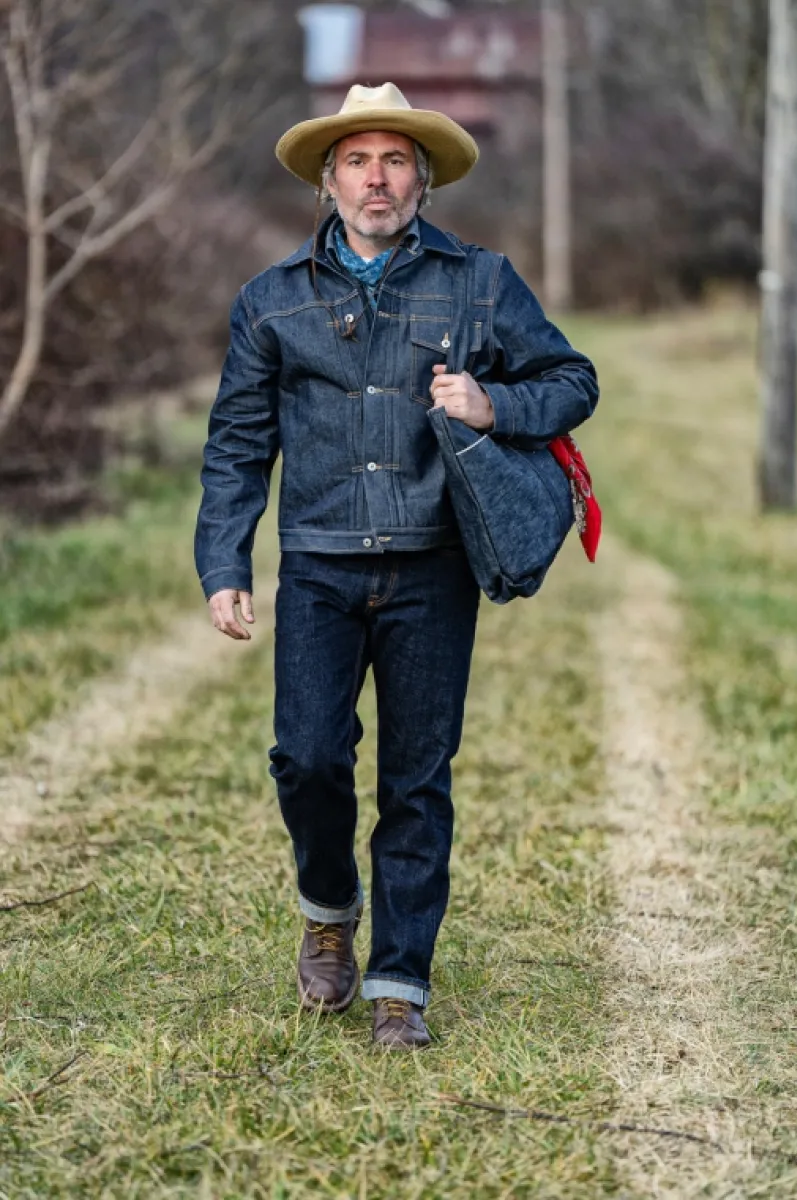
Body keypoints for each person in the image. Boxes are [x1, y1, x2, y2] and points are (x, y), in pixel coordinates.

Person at [194, 83, 598, 1050]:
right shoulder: (272, 300)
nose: (376, 179)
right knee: (308, 758)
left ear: (422, 180)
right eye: (357, 162)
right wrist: (224, 562)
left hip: (432, 566)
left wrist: (495, 405)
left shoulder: (482, 282)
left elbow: (573, 380)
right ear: (328, 182)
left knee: (417, 780)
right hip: (321, 565)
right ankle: (329, 912)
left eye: (395, 161)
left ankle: (399, 986)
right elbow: (238, 443)